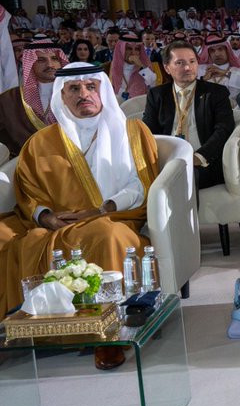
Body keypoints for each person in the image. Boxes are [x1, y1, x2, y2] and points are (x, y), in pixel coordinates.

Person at [0, 62, 160, 369]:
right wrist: (46, 217)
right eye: (74, 88)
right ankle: (18, 330)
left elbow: (141, 184)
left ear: (103, 91)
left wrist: (100, 209)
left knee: (107, 236)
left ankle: (109, 334)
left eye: (91, 87)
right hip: (53, 224)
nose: (83, 94)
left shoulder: (132, 131)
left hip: (112, 217)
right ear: (61, 95)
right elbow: (29, 191)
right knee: (6, 236)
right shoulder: (41, 142)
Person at [142, 41, 235, 190]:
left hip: (202, 163)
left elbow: (224, 129)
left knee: (180, 180)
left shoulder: (215, 92)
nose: (187, 68)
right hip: (167, 161)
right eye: (180, 63)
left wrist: (199, 157)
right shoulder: (157, 95)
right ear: (167, 68)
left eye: (192, 61)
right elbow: (148, 131)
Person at [0, 36, 66, 155]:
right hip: (25, 159)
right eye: (41, 60)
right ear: (29, 64)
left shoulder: (75, 94)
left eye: (54, 59)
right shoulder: (10, 99)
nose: (50, 64)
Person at [109, 32, 158, 101]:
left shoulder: (145, 64)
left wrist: (141, 66)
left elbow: (153, 83)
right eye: (129, 49)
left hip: (139, 102)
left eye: (137, 49)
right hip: (119, 101)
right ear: (121, 49)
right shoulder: (115, 65)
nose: (133, 52)